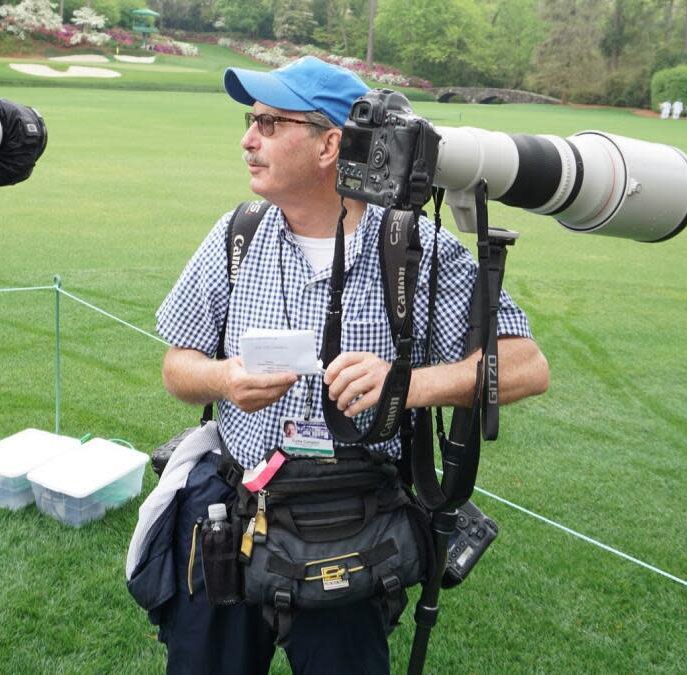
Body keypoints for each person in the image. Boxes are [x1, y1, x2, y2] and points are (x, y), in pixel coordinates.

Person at [152, 56, 549, 674]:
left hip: (352, 527)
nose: (247, 139)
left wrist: (408, 385)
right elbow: (177, 366)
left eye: (270, 123)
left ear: (330, 144)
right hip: (234, 508)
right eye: (249, 121)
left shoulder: (417, 249)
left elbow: (526, 366)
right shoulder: (237, 232)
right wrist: (224, 379)